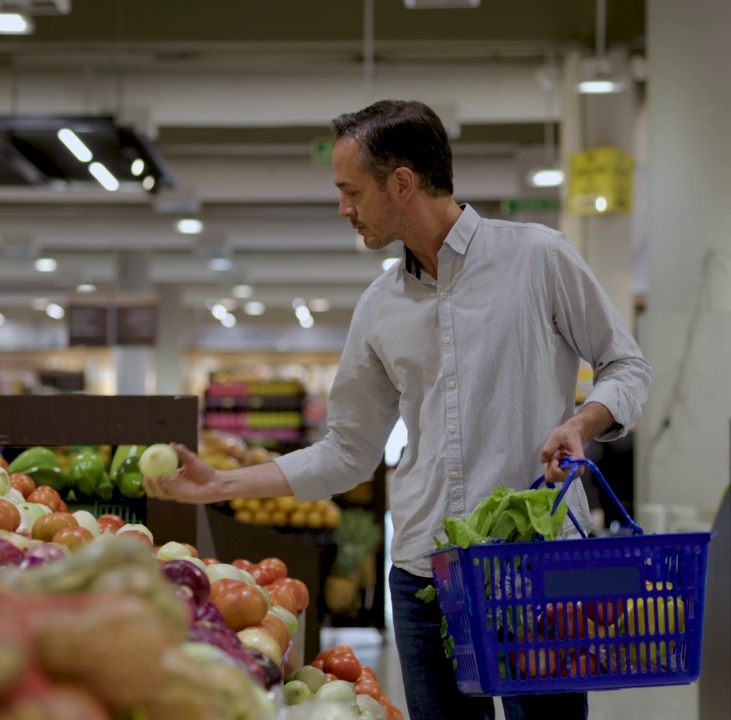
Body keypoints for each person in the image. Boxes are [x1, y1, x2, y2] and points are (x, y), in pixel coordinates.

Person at [144, 99, 652, 720]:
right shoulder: (379, 306)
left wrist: (581, 421)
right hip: (423, 574)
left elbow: (626, 366)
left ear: (402, 184)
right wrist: (221, 482)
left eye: (351, 191)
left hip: (534, 572)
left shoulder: (537, 259)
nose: (343, 209)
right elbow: (348, 450)